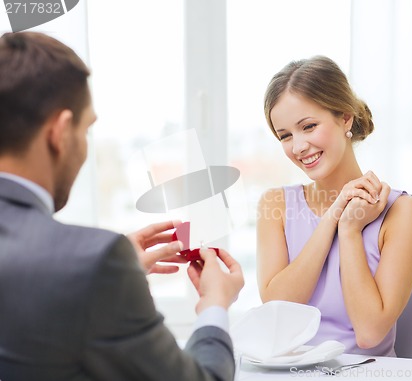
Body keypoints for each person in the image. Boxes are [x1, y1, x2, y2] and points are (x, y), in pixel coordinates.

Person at [0, 31, 244, 381]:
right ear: (60, 131)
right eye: (86, 131)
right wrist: (214, 307)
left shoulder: (87, 262)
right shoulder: (93, 262)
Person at [257, 56, 412, 357]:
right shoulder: (276, 205)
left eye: (308, 126)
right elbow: (277, 316)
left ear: (345, 118)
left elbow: (370, 333)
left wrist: (349, 231)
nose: (297, 147)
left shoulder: (404, 212)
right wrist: (333, 216)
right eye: (285, 136)